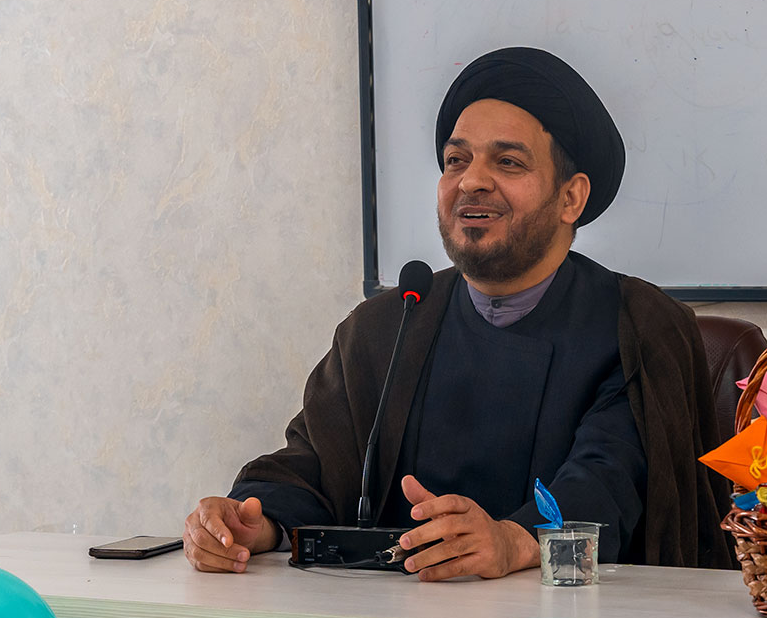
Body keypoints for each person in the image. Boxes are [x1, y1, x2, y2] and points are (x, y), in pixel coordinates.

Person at [185, 47, 731, 581]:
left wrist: (513, 540)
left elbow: (611, 481)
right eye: (456, 160)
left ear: (571, 198)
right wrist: (255, 521)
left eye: (508, 162)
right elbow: (315, 464)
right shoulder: (386, 326)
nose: (471, 181)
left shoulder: (637, 325)